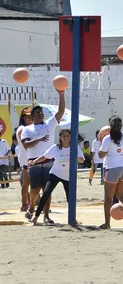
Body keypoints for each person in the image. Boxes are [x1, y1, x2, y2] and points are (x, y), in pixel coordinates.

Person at [21, 91, 65, 223]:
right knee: (35, 188)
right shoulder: (27, 129)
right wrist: (39, 139)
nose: (40, 114)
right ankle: (32, 207)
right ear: (32, 116)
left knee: (47, 189)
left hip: (49, 161)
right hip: (33, 162)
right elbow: (26, 145)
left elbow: (61, 112)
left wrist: (61, 94)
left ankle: (46, 216)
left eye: (41, 112)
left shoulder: (49, 124)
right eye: (37, 112)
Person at [29, 129, 85, 225]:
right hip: (55, 173)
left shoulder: (74, 147)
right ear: (60, 137)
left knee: (70, 199)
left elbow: (82, 160)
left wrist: (75, 156)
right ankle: (36, 216)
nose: (66, 137)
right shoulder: (55, 148)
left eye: (68, 135)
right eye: (64, 136)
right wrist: (34, 161)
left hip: (68, 177)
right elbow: (45, 156)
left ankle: (73, 219)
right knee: (46, 193)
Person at [16, 107, 33, 211]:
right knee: (28, 183)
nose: (30, 119)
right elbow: (27, 143)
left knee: (26, 183)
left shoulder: (24, 128)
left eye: (31, 117)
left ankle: (26, 204)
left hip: (26, 158)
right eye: (27, 117)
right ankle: (26, 204)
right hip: (27, 158)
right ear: (23, 117)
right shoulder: (22, 129)